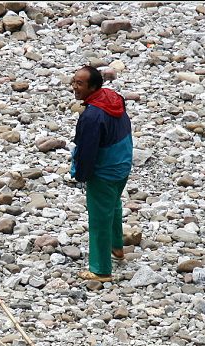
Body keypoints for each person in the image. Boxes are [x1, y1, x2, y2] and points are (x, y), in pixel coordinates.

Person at [69, 64, 133, 284]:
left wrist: (81, 175)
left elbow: (87, 151)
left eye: (80, 83)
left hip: (105, 171)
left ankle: (100, 269)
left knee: (98, 218)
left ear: (93, 86)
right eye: (74, 81)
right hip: (123, 163)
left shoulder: (92, 117)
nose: (74, 87)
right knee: (114, 205)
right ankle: (117, 247)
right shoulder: (113, 97)